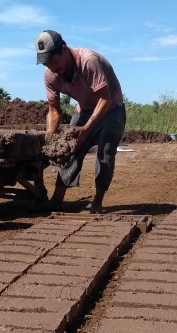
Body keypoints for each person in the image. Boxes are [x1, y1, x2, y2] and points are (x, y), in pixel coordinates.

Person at [36, 29, 125, 214]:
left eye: (53, 61)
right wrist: (50, 139)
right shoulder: (50, 75)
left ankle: (97, 202)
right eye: (46, 63)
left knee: (105, 153)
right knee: (69, 149)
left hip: (112, 109)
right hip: (84, 110)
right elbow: (54, 110)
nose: (51, 67)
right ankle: (57, 200)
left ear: (64, 49)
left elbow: (105, 99)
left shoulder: (88, 61)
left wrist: (86, 129)